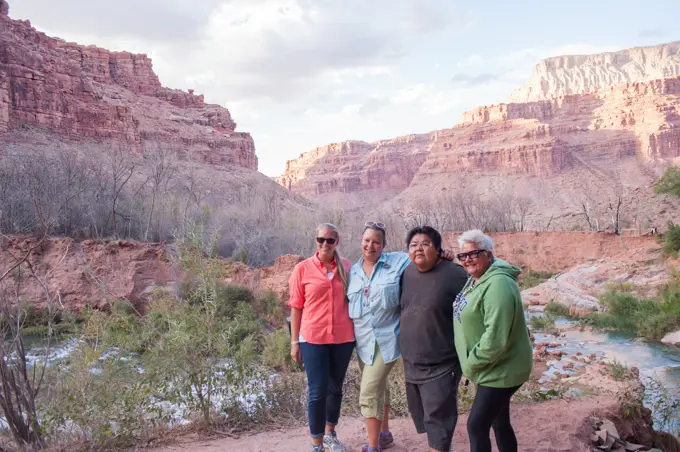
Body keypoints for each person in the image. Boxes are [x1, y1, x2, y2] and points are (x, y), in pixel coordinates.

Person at [453, 229, 533, 452]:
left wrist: (470, 364)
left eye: (473, 253)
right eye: (463, 255)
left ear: (488, 254)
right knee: (499, 421)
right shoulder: (477, 278)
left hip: (500, 369)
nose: (467, 259)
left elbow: (495, 339)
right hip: (492, 366)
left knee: (476, 426)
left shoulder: (497, 284)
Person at [399, 226, 469, 452]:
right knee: (428, 421)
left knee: (440, 423)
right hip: (412, 363)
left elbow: (479, 302)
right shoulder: (407, 273)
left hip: (442, 364)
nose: (418, 248)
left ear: (439, 250)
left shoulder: (455, 274)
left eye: (426, 244)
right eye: (413, 244)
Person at [288, 223, 354, 452]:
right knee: (318, 390)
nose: (325, 244)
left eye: (330, 240)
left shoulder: (347, 267)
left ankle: (330, 434)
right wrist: (294, 342)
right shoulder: (302, 269)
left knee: (335, 388)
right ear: (316, 240)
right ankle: (317, 443)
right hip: (312, 337)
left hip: (343, 338)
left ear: (337, 242)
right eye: (321, 239)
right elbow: (296, 307)